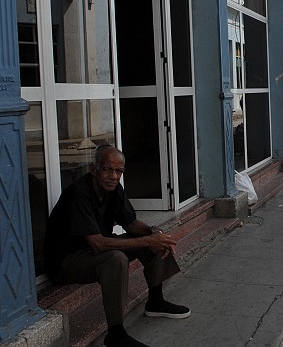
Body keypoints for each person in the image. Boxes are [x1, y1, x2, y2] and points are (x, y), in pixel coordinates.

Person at [44, 145, 190, 347]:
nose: (113, 176)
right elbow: (97, 243)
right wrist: (148, 239)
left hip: (93, 251)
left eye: (119, 171)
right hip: (67, 261)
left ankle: (155, 301)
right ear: (94, 169)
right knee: (115, 259)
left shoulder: (113, 189)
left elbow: (130, 223)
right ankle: (115, 334)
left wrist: (155, 234)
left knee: (153, 239)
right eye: (107, 169)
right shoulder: (78, 193)